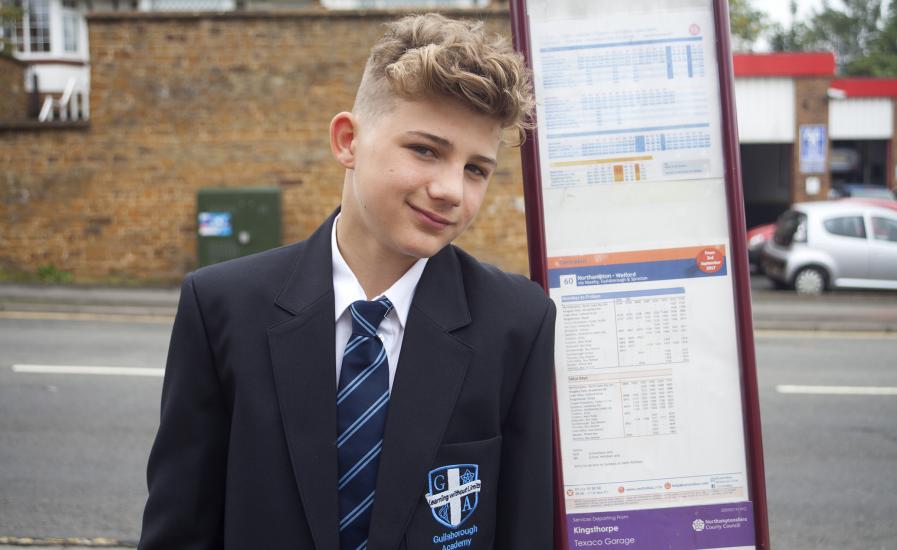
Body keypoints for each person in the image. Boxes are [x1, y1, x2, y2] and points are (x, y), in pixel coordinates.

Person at [138, 12, 556, 550]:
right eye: (425, 150)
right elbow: (181, 526)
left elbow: (523, 527)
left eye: (477, 169)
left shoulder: (517, 321)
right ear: (347, 141)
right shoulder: (222, 305)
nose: (452, 189)